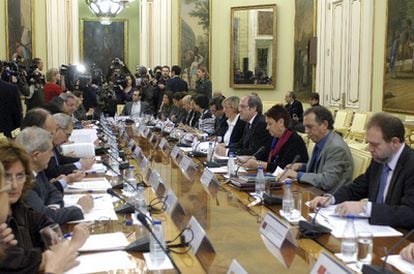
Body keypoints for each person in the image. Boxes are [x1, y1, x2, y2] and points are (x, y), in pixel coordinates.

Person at [309, 112, 414, 229]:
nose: (370, 149)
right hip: (375, 229)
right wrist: (330, 198)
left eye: (375, 145)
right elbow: (356, 188)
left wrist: (365, 208)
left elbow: (409, 213)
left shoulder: (410, 165)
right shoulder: (380, 158)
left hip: (401, 237)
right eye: (369, 143)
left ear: (394, 142)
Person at [0, 139, 89, 273]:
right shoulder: (4, 226)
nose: (14, 185)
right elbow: (20, 264)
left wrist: (57, 247)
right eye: (7, 178)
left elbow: (46, 225)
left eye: (19, 176)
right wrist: (70, 248)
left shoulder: (20, 207)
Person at [16, 127, 94, 224]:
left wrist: (53, 208)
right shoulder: (22, 182)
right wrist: (80, 207)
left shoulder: (38, 170)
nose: (52, 155)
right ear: (36, 155)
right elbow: (45, 218)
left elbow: (53, 191)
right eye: (50, 151)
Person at [281, 106, 353, 192]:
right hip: (316, 191)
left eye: (310, 127)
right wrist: (301, 166)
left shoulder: (336, 148)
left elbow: (327, 181)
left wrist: (297, 175)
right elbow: (319, 168)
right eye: (305, 127)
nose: (306, 131)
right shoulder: (321, 139)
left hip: (331, 198)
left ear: (324, 125)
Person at [242, 105, 308, 172]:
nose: (267, 128)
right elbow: (263, 155)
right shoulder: (273, 138)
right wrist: (251, 158)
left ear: (281, 122)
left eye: (270, 124)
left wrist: (259, 164)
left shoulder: (295, 140)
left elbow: (284, 167)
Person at [216, 94, 272, 161]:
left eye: (242, 106)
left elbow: (253, 151)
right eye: (239, 106)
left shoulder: (261, 124)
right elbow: (241, 144)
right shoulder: (249, 122)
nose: (239, 110)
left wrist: (227, 152)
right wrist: (225, 146)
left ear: (253, 108)